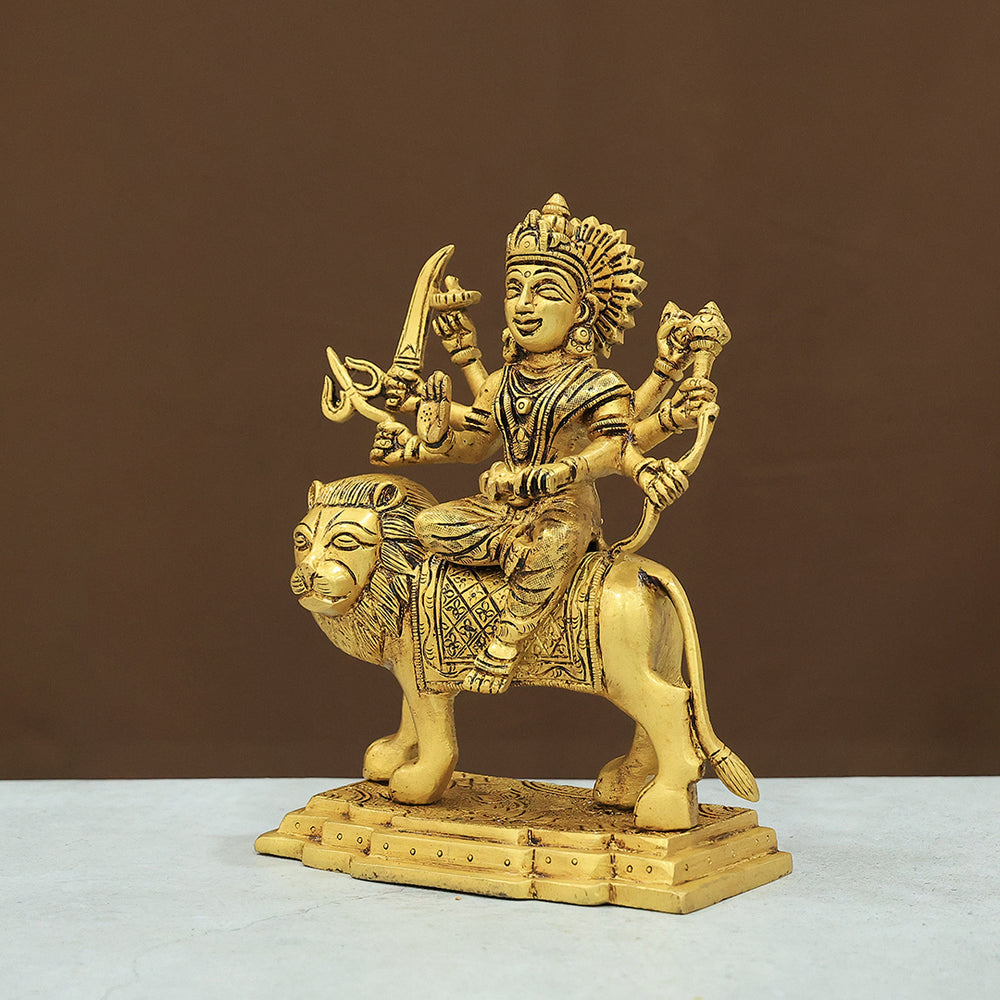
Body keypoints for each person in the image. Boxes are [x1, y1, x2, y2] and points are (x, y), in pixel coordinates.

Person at [371, 195, 695, 694]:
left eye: (544, 291)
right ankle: (512, 553)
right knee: (429, 524)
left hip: (565, 510)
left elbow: (614, 448)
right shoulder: (501, 381)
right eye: (514, 289)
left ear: (581, 310)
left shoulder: (597, 384)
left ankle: (507, 639)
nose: (524, 304)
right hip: (503, 512)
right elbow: (476, 445)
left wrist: (556, 474)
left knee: (552, 541)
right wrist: (437, 433)